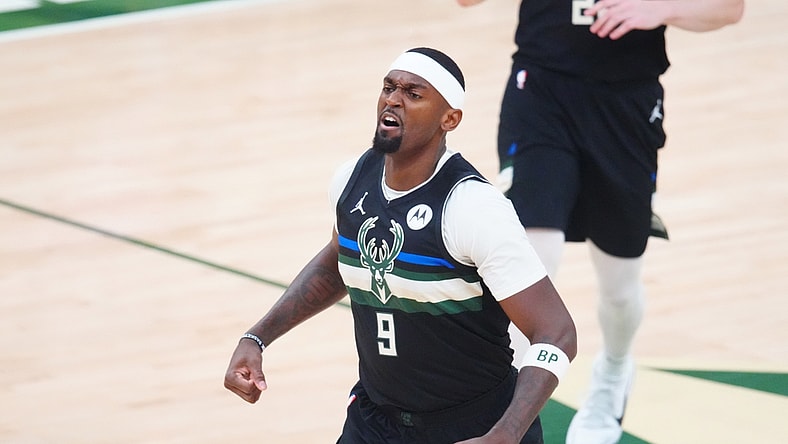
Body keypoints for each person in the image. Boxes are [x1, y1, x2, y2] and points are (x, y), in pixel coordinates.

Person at [223, 47, 577, 444]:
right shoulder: (352, 179)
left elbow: (557, 332)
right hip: (375, 420)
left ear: (450, 119)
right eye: (389, 87)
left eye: (413, 93)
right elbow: (337, 261)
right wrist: (256, 338)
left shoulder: (472, 207)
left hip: (475, 427)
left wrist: (508, 433)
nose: (393, 99)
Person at [454, 1, 745, 443]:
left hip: (627, 102)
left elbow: (729, 8)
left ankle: (613, 372)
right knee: (535, 257)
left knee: (619, 282)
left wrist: (663, 8)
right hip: (541, 90)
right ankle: (503, 409)